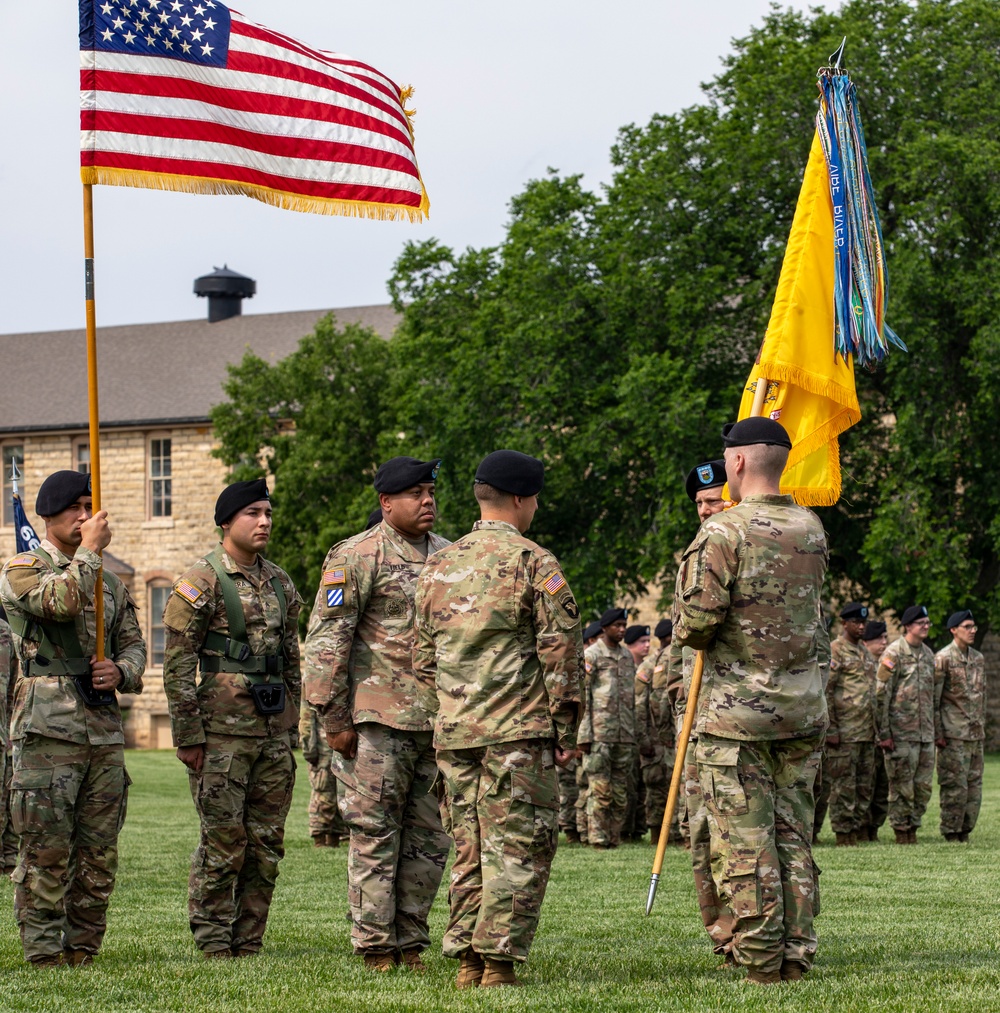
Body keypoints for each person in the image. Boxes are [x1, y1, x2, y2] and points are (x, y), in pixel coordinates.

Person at [413, 449, 583, 988]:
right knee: (517, 847)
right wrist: (566, 729)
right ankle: (498, 964)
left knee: (468, 847)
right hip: (518, 733)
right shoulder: (534, 562)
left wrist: (447, 713)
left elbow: (421, 658)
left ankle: (467, 958)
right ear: (518, 499)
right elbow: (561, 654)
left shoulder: (438, 564)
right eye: (533, 499)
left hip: (456, 733)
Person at [674, 419, 829, 985]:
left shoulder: (721, 535)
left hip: (737, 715)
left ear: (737, 464)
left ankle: (761, 959)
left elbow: (695, 625)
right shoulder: (809, 527)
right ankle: (794, 952)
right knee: (793, 835)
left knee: (745, 843)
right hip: (802, 710)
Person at [303, 457, 451, 972]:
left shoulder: (450, 556)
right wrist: (333, 719)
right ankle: (373, 946)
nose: (427, 500)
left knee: (430, 838)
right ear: (387, 503)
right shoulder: (357, 555)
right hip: (377, 721)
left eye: (431, 491)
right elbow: (326, 640)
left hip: (436, 725)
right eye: (415, 493)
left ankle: (410, 939)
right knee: (374, 834)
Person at [0, 470, 146, 967]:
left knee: (98, 851)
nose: (86, 517)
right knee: (46, 849)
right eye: (75, 508)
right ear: (49, 515)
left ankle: (83, 949)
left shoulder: (109, 581)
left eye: (91, 506)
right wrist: (90, 551)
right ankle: (43, 952)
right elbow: (58, 603)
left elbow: (134, 642)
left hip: (102, 730)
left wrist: (121, 671)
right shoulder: (22, 568)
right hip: (47, 731)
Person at [162, 479, 301, 958]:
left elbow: (291, 660)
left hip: (272, 733)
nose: (263, 521)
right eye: (252, 514)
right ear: (226, 522)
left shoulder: (281, 582)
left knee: (266, 843)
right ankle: (213, 939)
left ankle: (249, 939)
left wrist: (293, 722)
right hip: (220, 735)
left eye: (267, 512)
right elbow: (178, 665)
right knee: (224, 841)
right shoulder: (201, 581)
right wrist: (188, 736)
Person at [658, 457, 735, 960]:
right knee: (701, 834)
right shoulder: (693, 561)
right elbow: (676, 651)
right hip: (694, 725)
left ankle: (749, 929)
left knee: (739, 832)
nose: (706, 511)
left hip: (733, 719)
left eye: (715, 500)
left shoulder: (744, 554)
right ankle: (719, 931)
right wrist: (674, 694)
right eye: (700, 504)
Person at [875, 605, 940, 845]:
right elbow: (881, 695)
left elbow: (933, 697)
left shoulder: (928, 654)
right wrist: (884, 732)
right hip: (900, 733)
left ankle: (914, 826)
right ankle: (901, 831)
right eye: (921, 622)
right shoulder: (894, 653)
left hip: (925, 734)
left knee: (923, 787)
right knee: (902, 786)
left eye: (927, 622)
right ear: (907, 626)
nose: (925, 626)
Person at [580, 608, 636, 849]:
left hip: (624, 734)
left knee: (621, 792)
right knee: (600, 790)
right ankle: (598, 838)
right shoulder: (591, 655)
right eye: (617, 625)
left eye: (624, 625)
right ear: (604, 628)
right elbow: (583, 697)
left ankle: (614, 837)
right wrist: (583, 735)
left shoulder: (627, 656)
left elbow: (632, 698)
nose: (622, 629)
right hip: (599, 733)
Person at [825, 603, 877, 846]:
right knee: (843, 786)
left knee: (864, 785)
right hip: (845, 732)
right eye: (856, 622)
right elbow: (827, 690)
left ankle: (858, 828)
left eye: (863, 622)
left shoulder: (866, 653)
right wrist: (832, 728)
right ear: (844, 623)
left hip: (866, 731)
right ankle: (843, 833)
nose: (861, 626)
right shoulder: (836, 650)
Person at [934, 610, 986, 842]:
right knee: (955, 786)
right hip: (953, 733)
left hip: (975, 734)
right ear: (954, 630)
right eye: (967, 626)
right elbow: (934, 700)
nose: (973, 630)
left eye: (974, 626)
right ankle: (951, 831)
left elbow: (980, 697)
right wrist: (938, 732)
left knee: (974, 787)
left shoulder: (978, 658)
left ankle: (966, 829)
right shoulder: (943, 658)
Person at [560, 620, 602, 843]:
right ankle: (574, 831)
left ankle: (582, 832)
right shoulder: (580, 662)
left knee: (581, 785)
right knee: (573, 786)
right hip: (572, 734)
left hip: (583, 733)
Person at [636, 619, 677, 846]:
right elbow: (640, 706)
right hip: (656, 736)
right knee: (655, 787)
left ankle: (677, 835)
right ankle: (656, 835)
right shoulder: (649, 667)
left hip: (669, 735)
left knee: (673, 784)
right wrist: (644, 738)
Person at [299, 699, 346, 847]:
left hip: (339, 746)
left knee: (341, 793)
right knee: (323, 793)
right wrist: (309, 749)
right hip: (322, 749)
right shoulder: (314, 680)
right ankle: (319, 840)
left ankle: (335, 839)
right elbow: (306, 719)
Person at [860, 620, 889, 841]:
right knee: (863, 784)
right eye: (879, 639)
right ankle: (860, 828)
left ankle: (874, 828)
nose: (884, 642)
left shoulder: (884, 666)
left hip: (881, 735)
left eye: (885, 638)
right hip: (862, 733)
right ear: (865, 642)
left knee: (881, 786)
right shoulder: (863, 665)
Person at [623, 624, 651, 840]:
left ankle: (638, 829)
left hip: (643, 735)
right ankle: (625, 829)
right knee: (627, 784)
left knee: (642, 785)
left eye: (648, 641)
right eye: (642, 641)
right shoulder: (624, 668)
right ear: (631, 643)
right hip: (625, 733)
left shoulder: (648, 668)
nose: (647, 645)